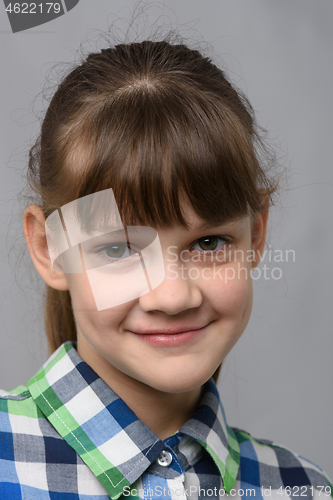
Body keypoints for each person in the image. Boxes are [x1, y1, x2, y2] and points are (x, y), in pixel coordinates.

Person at [0, 37, 331, 500]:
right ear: (49, 247)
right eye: (119, 250)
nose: (173, 297)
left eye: (209, 242)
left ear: (256, 235)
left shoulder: (304, 489)